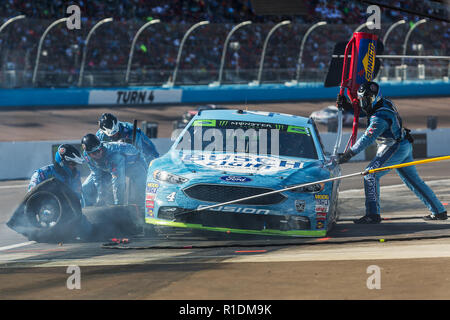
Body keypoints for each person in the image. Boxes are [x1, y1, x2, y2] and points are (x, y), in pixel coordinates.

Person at [336, 81, 447, 224]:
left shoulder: (379, 118)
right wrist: (348, 107)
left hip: (394, 147)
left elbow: (367, 139)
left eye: (366, 99)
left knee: (370, 175)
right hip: (402, 144)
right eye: (362, 99)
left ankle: (373, 214)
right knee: (414, 181)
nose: (364, 103)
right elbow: (366, 111)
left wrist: (349, 154)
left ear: (375, 97)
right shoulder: (384, 102)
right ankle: (439, 211)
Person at [81, 133, 147, 207]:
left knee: (141, 186)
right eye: (94, 153)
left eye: (99, 150)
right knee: (86, 187)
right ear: (88, 154)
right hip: (107, 168)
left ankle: (141, 207)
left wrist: (118, 205)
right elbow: (96, 176)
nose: (98, 154)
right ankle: (86, 210)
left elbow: (118, 181)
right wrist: (101, 197)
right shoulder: (86, 156)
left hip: (134, 165)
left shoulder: (114, 155)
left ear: (101, 147)